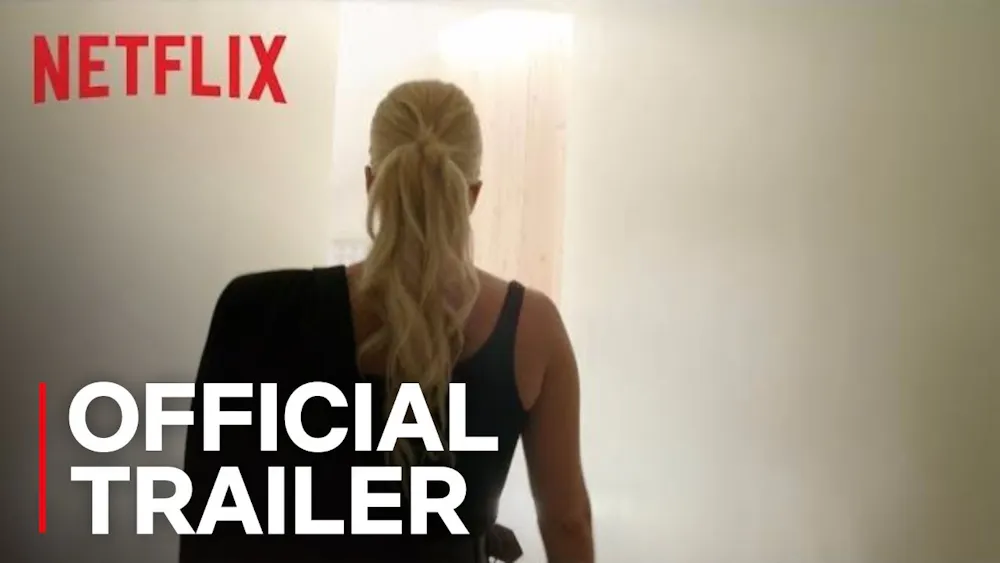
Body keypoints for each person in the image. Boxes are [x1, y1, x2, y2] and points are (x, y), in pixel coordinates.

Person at [179, 80, 593, 563]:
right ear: (472, 195)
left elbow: (211, 513)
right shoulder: (531, 329)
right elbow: (566, 521)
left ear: (371, 182)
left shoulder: (257, 308)